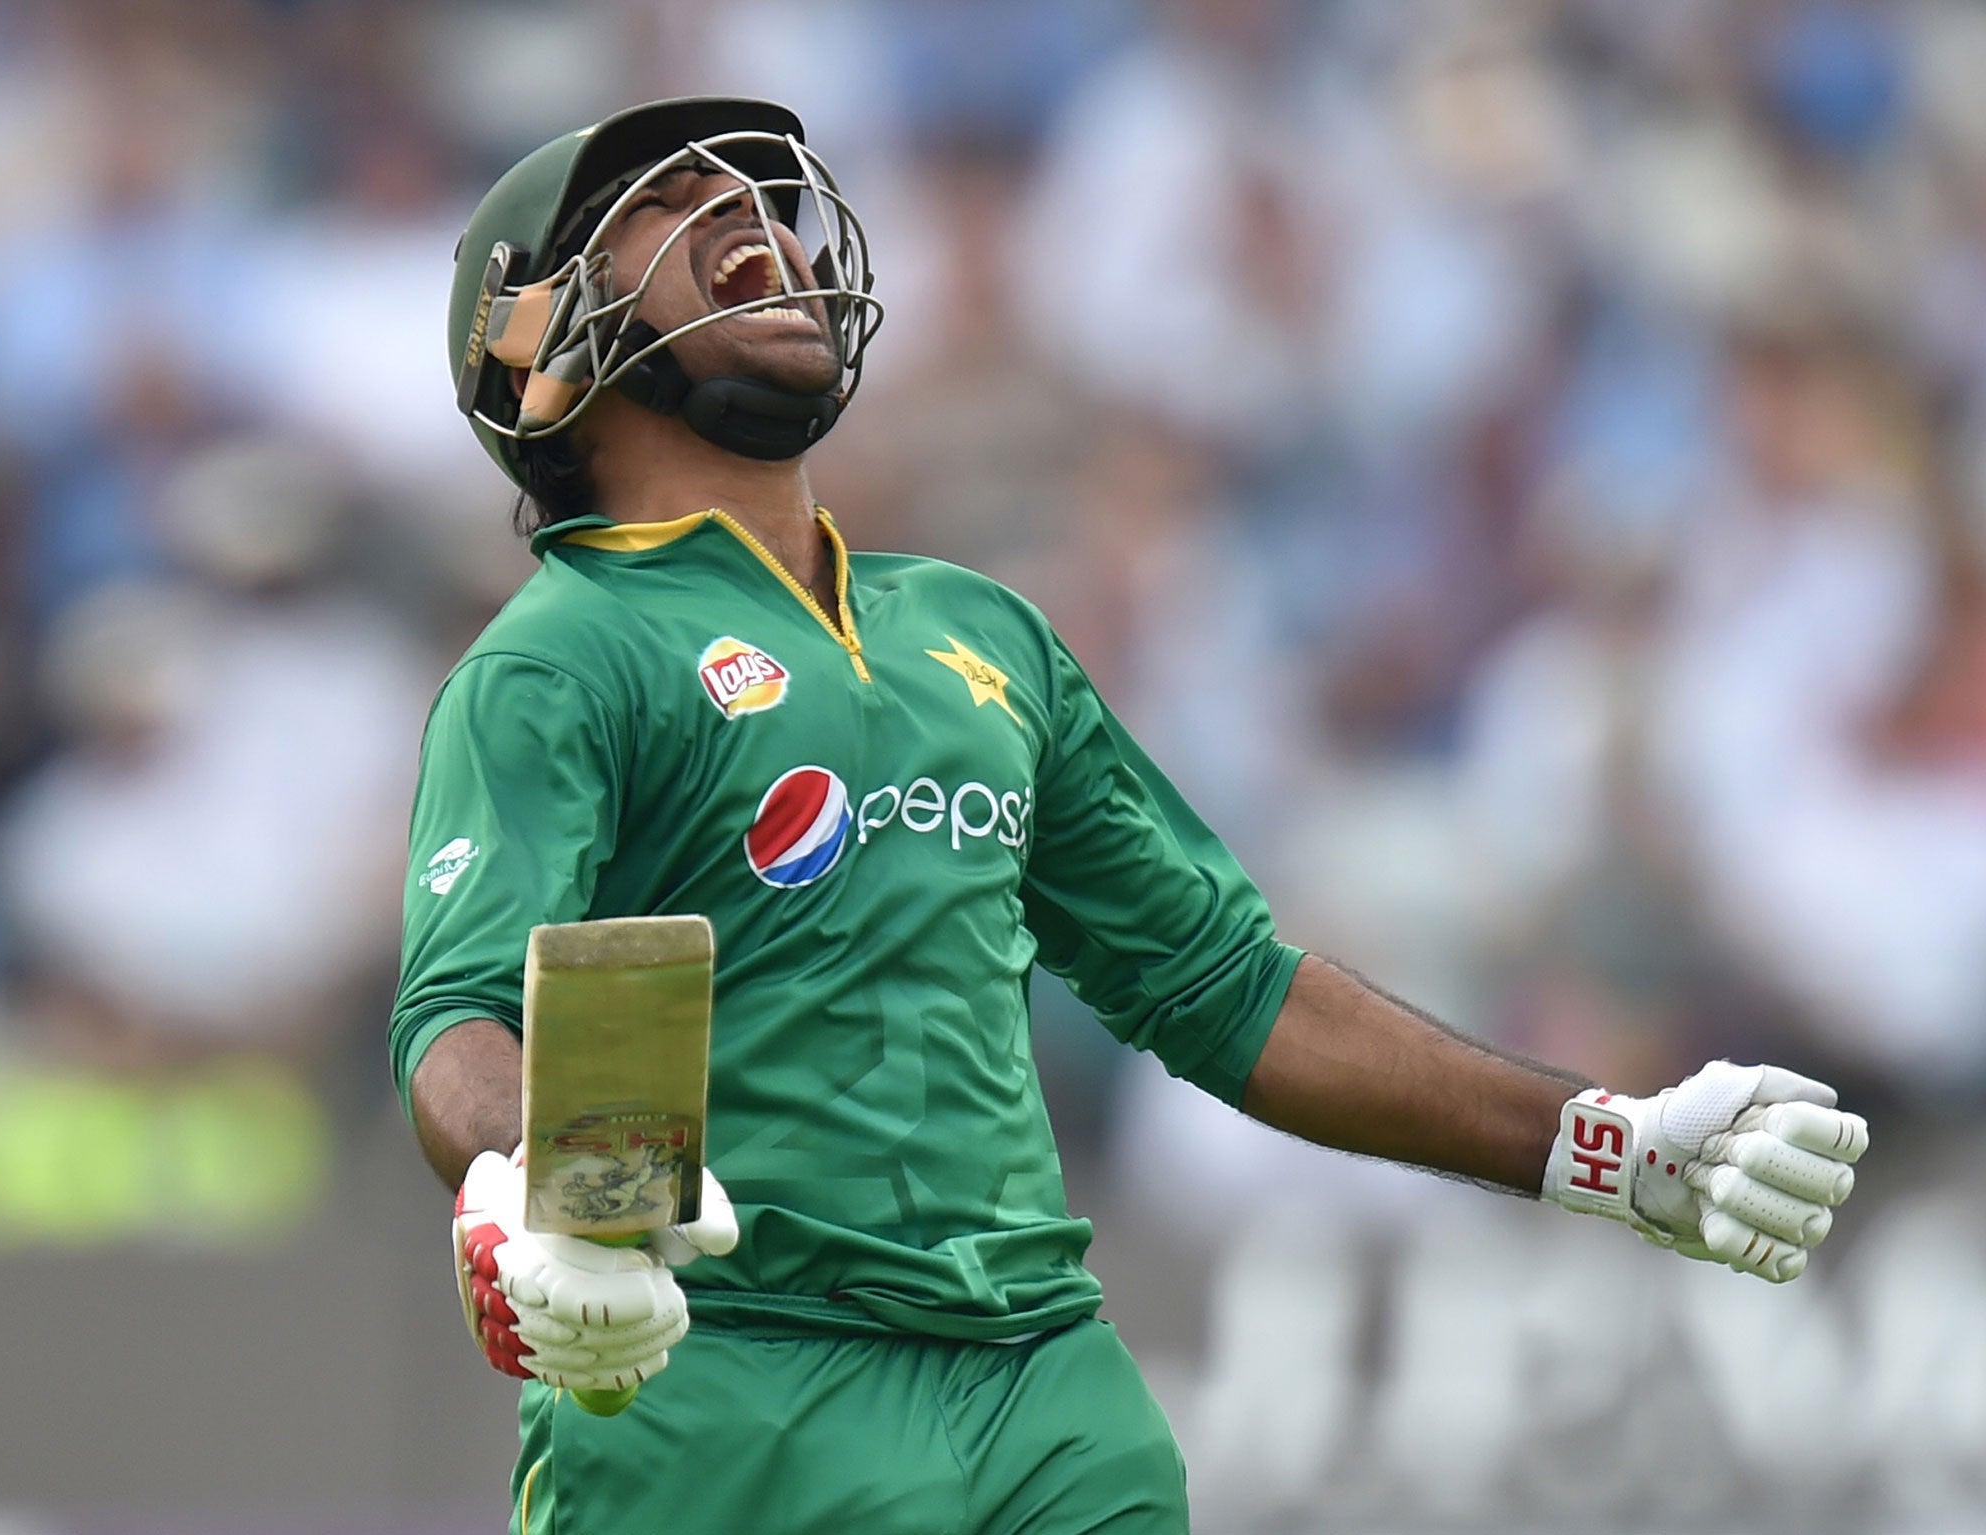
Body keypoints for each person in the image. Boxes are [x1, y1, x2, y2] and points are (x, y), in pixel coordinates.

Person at [391, 98, 1868, 1535]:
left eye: (761, 202)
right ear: (536, 342)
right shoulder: (558, 654)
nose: (750, 227)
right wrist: (537, 1200)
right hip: (724, 1372)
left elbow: (1226, 991)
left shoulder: (976, 631)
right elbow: (455, 1024)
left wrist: (1605, 1146)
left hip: (1046, 1384)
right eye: (668, 207)